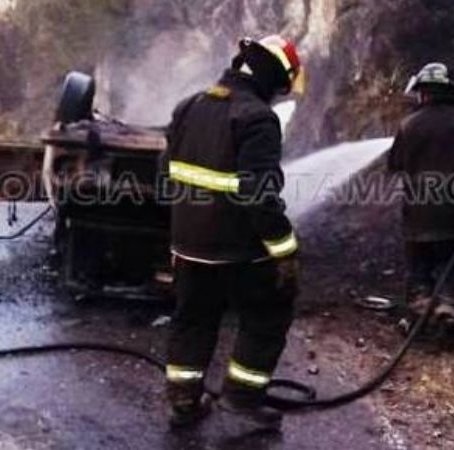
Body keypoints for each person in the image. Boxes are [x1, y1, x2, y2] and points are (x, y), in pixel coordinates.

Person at [162, 35, 305, 430]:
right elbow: (259, 196)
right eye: (281, 84)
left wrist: (180, 234)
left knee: (193, 318)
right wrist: (284, 250)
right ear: (271, 75)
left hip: (189, 246)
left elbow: (165, 176)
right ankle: (241, 398)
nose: (278, 95)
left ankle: (184, 401)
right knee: (268, 314)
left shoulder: (189, 106)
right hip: (238, 250)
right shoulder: (257, 118)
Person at [388, 62, 454, 333]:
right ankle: (448, 308)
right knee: (451, 263)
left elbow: (395, 164)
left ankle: (421, 307)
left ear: (423, 93)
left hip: (418, 214)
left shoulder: (408, 126)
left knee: (419, 264)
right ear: (450, 92)